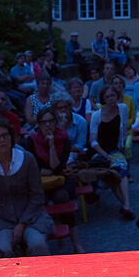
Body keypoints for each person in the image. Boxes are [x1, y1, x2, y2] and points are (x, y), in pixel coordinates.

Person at [0, 119, 54, 257]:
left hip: (31, 216)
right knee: (2, 250)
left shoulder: (27, 159)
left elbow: (37, 196)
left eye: (6, 135)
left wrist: (22, 223)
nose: (2, 140)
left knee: (37, 245)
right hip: (0, 219)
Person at [22, 106, 85, 253]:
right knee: (38, 200)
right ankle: (40, 239)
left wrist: (51, 146)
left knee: (62, 197)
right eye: (44, 122)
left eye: (50, 121)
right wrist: (45, 170)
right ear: (38, 124)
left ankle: (76, 243)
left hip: (60, 180)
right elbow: (34, 169)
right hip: (39, 183)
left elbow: (57, 167)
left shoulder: (63, 139)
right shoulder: (31, 141)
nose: (48, 125)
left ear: (55, 122)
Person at [89, 85, 135, 220]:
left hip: (115, 149)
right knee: (111, 177)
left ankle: (126, 205)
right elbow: (92, 141)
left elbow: (124, 130)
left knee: (121, 169)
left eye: (113, 95)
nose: (111, 99)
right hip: (100, 151)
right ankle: (125, 206)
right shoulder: (97, 116)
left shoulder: (122, 109)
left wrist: (123, 148)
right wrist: (105, 155)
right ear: (103, 99)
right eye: (107, 96)